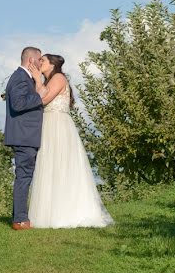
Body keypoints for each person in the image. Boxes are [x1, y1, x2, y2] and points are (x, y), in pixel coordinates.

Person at [27, 54, 113, 228]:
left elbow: (43, 99)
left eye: (42, 61)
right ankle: (48, 214)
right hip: (48, 125)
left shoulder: (59, 77)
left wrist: (37, 78)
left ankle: (66, 213)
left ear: (52, 64)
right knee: (49, 167)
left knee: (60, 166)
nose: (39, 63)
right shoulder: (48, 79)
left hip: (58, 126)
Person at [3, 46, 44, 230]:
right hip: (24, 136)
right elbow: (19, 104)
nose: (41, 63)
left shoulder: (22, 77)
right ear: (30, 61)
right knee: (24, 176)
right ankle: (20, 220)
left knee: (24, 176)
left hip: (25, 135)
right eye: (39, 59)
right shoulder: (20, 77)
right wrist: (39, 96)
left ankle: (18, 217)